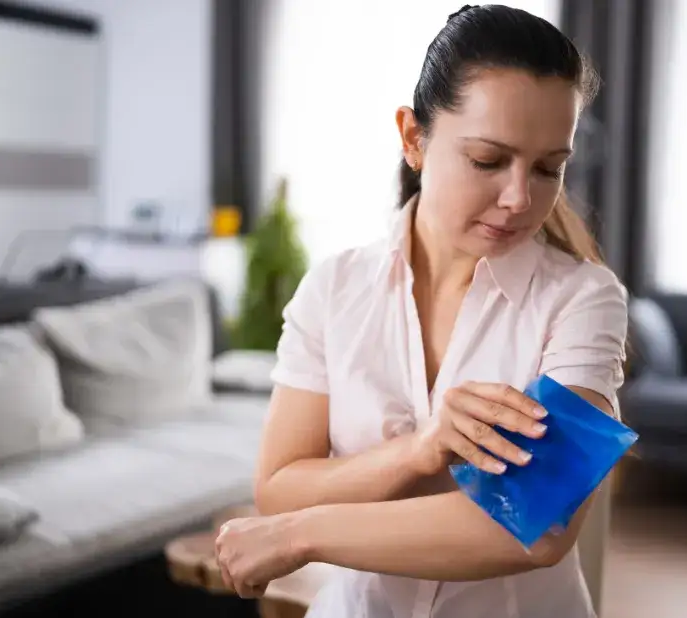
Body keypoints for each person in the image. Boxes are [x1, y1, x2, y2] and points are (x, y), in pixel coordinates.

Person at [215, 4, 629, 617]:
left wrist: (300, 535)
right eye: (488, 160)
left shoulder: (584, 299)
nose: (519, 198)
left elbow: (539, 525)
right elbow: (279, 488)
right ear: (414, 138)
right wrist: (420, 449)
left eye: (549, 168)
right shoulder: (334, 288)